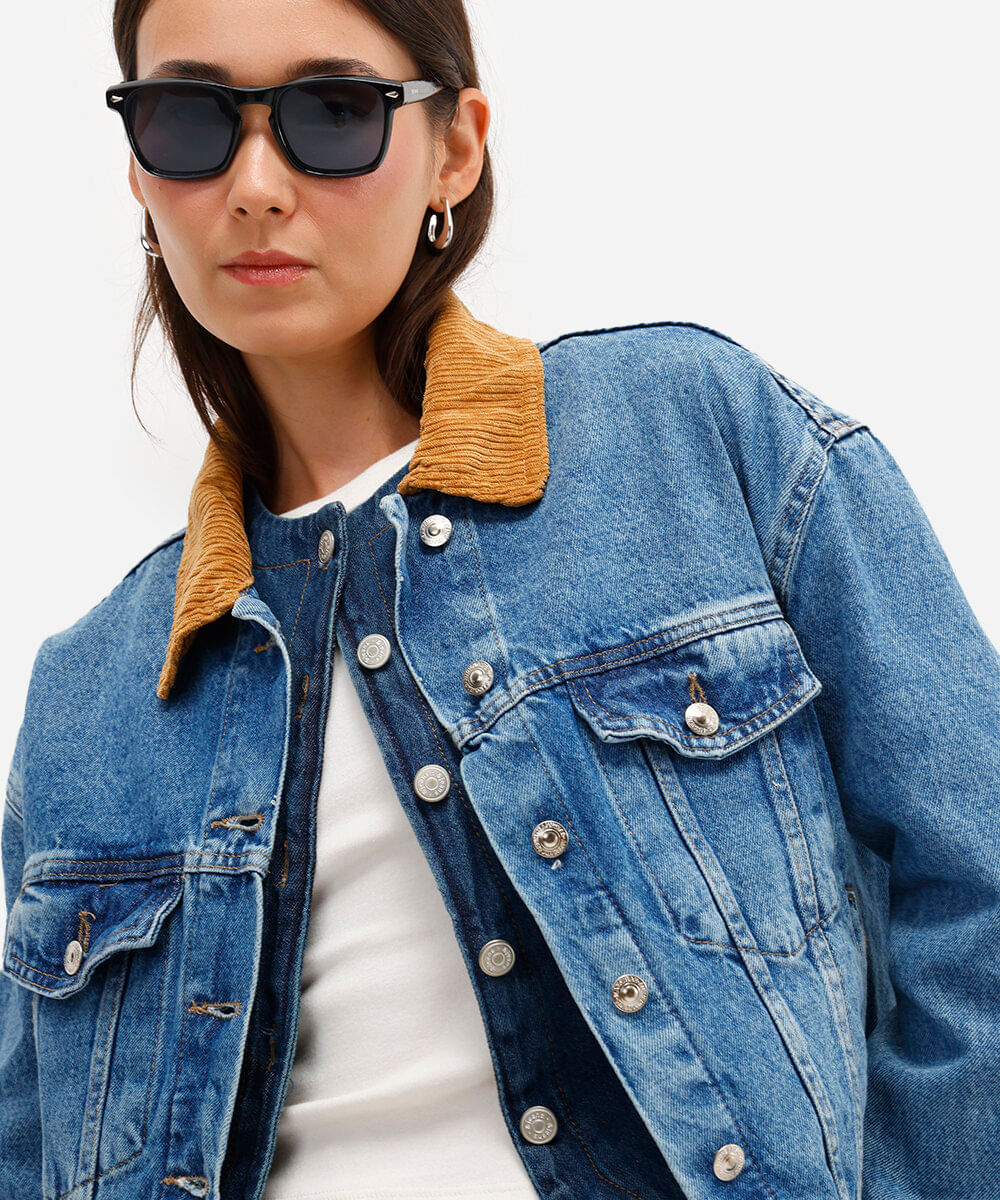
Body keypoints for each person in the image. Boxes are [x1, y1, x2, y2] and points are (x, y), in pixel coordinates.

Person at [2, 0, 998, 1197]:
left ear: (456, 148)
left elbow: (977, 876)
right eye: (189, 120)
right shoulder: (88, 696)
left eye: (333, 112)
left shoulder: (696, 439)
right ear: (138, 166)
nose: (255, 187)